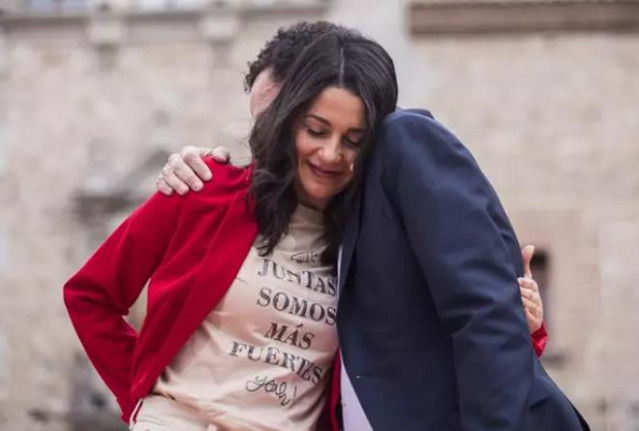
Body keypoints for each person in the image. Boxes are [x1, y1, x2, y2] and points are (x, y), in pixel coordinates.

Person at [156, 22, 590, 431]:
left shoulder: (406, 142)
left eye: (274, 118)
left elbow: (484, 312)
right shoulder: (318, 206)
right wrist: (191, 170)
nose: (265, 143)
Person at [64, 28, 398, 431]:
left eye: (353, 140)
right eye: (316, 129)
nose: (330, 153)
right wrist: (143, 399)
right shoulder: (204, 188)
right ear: (289, 122)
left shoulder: (369, 239)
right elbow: (89, 295)